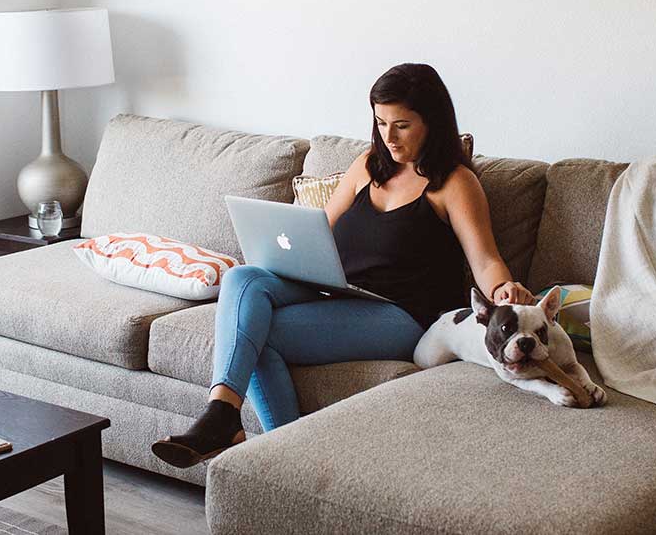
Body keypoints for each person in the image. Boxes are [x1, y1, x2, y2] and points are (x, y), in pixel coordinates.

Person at [150, 63, 535, 469]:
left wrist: (503, 290)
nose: (389, 136)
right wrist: (285, 258)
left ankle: (280, 459)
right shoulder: (368, 164)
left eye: (402, 125)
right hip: (336, 289)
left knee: (257, 335)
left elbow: (486, 259)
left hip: (400, 313)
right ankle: (223, 415)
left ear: (433, 122)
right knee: (243, 277)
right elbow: (318, 232)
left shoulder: (454, 183)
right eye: (381, 122)